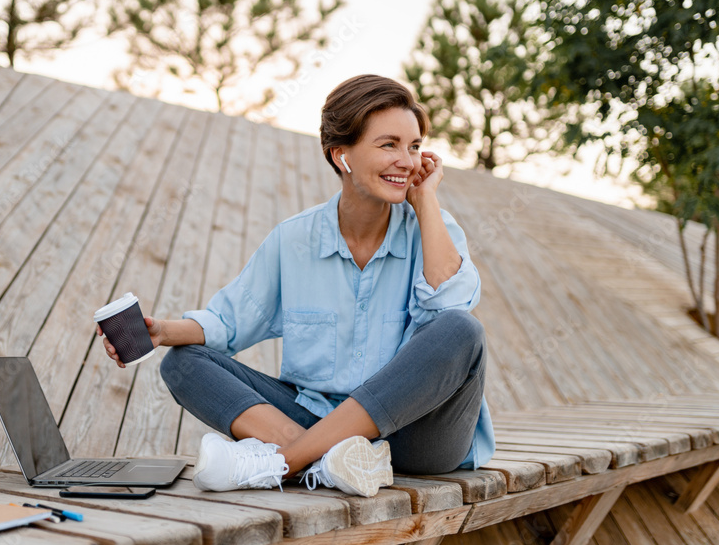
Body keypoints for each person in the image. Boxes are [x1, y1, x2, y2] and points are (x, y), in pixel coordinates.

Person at [98, 74, 494, 497]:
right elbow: (230, 322)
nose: (408, 160)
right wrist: (161, 332)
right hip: (315, 417)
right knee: (181, 363)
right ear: (341, 155)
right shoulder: (293, 240)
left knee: (461, 330)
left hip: (418, 438)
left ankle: (288, 461)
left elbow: (451, 308)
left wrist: (427, 199)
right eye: (389, 144)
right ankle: (334, 463)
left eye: (414, 146)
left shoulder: (431, 228)